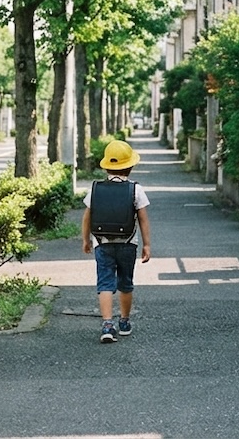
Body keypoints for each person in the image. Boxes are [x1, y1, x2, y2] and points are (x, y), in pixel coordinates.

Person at [81, 139, 152, 343]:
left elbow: (87, 217)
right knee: (125, 283)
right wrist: (147, 244)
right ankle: (124, 321)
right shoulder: (136, 190)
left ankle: (107, 324)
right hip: (128, 243)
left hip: (102, 243)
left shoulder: (95, 189)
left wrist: (86, 240)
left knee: (105, 283)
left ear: (106, 166)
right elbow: (143, 219)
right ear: (130, 166)